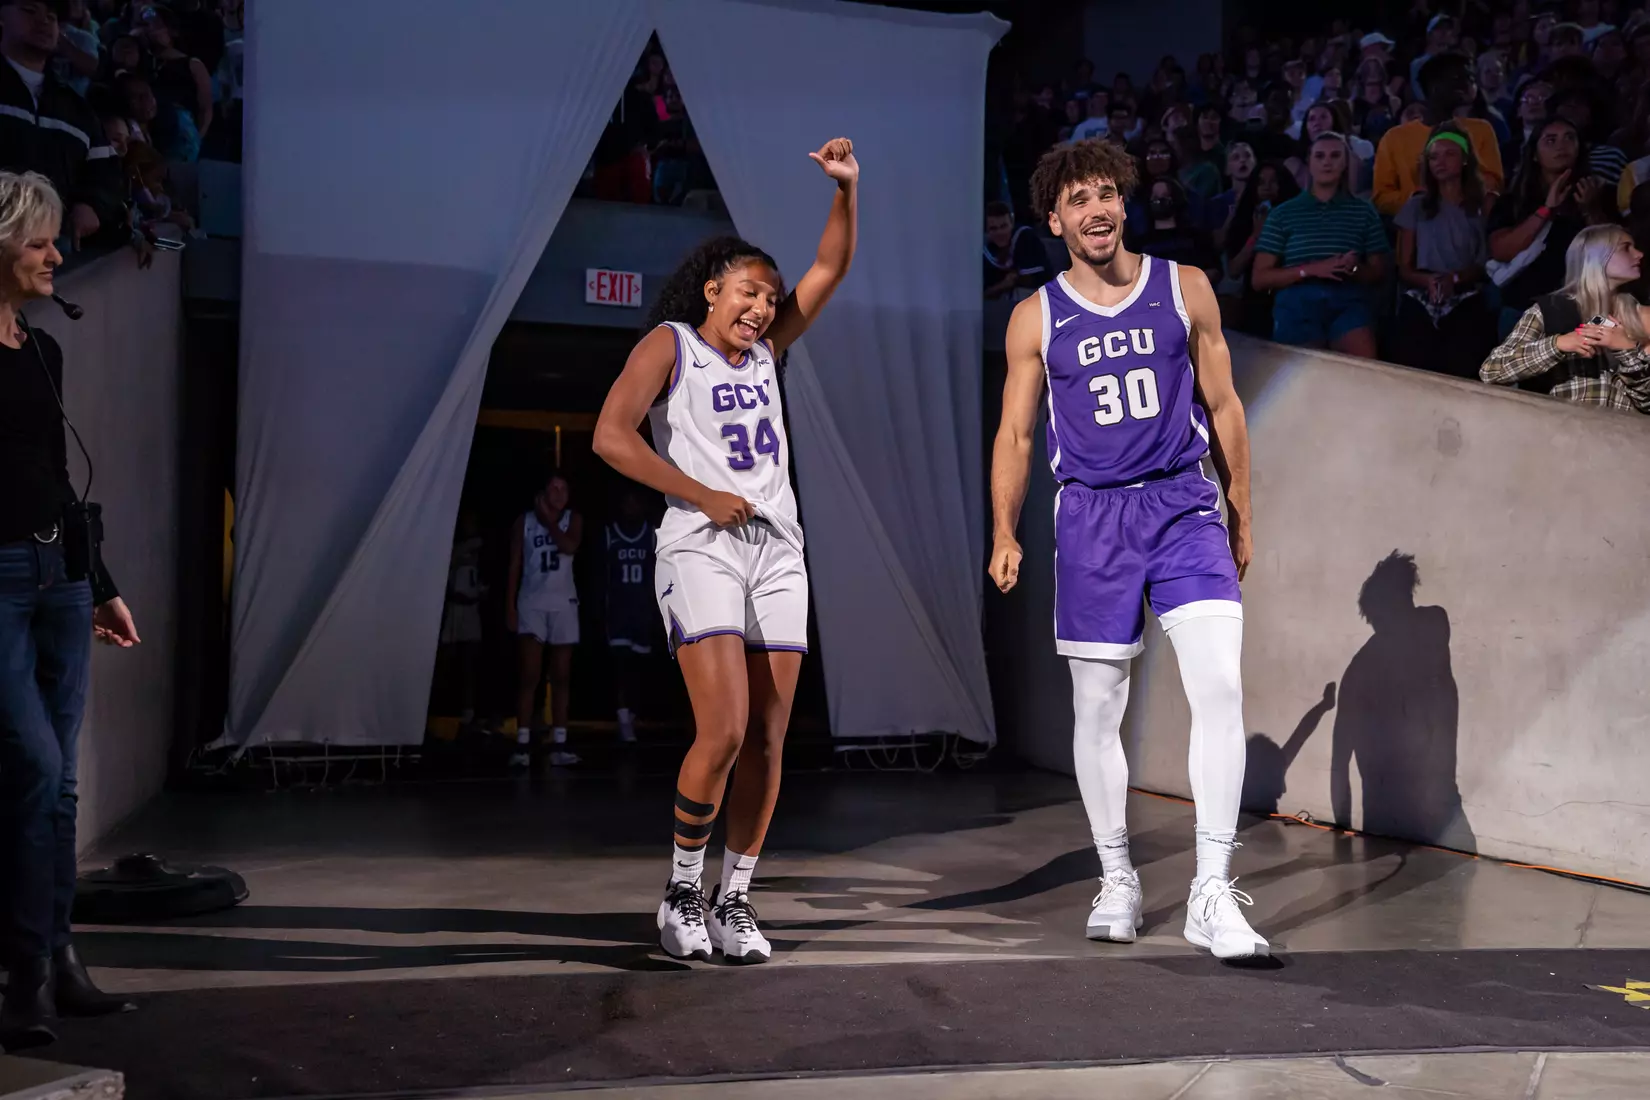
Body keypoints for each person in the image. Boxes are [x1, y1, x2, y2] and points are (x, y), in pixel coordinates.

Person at [988, 139, 1268, 961]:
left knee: (1219, 686)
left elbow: (1225, 403)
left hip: (1184, 504)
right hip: (1092, 520)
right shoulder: (1035, 316)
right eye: (1078, 199)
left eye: (1107, 193)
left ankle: (1212, 892)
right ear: (1055, 219)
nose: (1097, 209)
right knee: (1098, 708)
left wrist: (1242, 507)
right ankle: (1119, 874)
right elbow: (1013, 431)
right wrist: (1004, 529)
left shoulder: (1183, 288)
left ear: (1125, 202)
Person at [591, 137, 858, 964]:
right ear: (713, 289)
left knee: (773, 738)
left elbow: (828, 268)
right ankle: (680, 891)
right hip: (701, 545)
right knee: (727, 729)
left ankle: (733, 899)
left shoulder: (771, 352)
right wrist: (699, 492)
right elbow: (609, 436)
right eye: (748, 291)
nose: (761, 306)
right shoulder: (672, 344)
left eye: (769, 298)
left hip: (778, 551)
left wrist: (844, 191)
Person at [0, 171, 141, 1050]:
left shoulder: (44, 351)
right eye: (41, 241)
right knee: (38, 770)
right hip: (1, 579)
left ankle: (55, 960)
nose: (58, 255)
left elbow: (55, 479)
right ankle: (22, 979)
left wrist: (103, 584)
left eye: (57, 239)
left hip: (60, 576)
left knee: (61, 788)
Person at [1480, 225, 1650, 409]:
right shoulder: (1550, 310)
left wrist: (1627, 350)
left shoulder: (1641, 317)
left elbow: (1646, 403)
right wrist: (1558, 344)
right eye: (1626, 248)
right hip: (1561, 432)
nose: (1639, 254)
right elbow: (1492, 371)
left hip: (1621, 434)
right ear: (1596, 256)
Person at [1251, 132, 1391, 357]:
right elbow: (1260, 278)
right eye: (1320, 156)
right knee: (1303, 378)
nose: (1327, 162)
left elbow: (1379, 272)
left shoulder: (1364, 212)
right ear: (1309, 162)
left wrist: (1353, 268)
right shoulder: (1283, 214)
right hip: (1298, 303)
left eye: (1335, 156)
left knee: (1362, 371)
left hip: (1348, 300)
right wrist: (1312, 269)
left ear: (1345, 163)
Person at [0, 0, 126, 249]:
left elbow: (106, 172)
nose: (44, 21)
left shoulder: (76, 108)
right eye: (29, 10)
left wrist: (91, 205)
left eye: (52, 17)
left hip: (50, 255)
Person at [1393, 126, 1499, 376]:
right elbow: (1404, 267)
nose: (1439, 162)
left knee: (1463, 361)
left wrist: (1454, 280)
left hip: (1467, 291)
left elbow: (1487, 262)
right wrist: (1429, 281)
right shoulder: (1416, 205)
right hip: (1422, 289)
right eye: (1433, 157)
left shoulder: (1484, 204)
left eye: (1449, 154)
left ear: (1464, 159)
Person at [1487, 118, 1608, 325]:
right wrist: (1546, 209)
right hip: (1523, 308)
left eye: (1569, 138)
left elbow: (1611, 252)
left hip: (1583, 308)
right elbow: (1501, 250)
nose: (1562, 145)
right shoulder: (1513, 200)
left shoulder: (1598, 192)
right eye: (1551, 140)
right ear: (1534, 154)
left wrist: (1590, 209)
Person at [505, 472, 581, 770]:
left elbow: (569, 546)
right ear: (543, 492)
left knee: (561, 676)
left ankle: (559, 743)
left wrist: (548, 519)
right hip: (532, 603)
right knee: (529, 675)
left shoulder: (572, 519)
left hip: (563, 604)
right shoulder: (524, 522)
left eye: (564, 487)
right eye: (554, 487)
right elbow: (514, 564)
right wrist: (509, 606)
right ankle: (522, 743)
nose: (559, 492)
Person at [1373, 53, 1505, 215]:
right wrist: (1423, 202)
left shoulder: (1482, 129)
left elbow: (1494, 182)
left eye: (1471, 78)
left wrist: (1454, 196)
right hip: (1416, 232)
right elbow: (1381, 197)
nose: (1469, 84)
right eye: (1459, 78)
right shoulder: (1395, 137)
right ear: (1434, 86)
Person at [603, 483, 656, 745]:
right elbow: (602, 575)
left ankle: (633, 713)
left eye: (637, 502)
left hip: (643, 611)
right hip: (618, 611)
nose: (632, 507)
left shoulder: (652, 535)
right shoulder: (610, 534)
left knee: (639, 670)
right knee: (621, 667)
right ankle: (623, 718)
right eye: (628, 502)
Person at [438, 511, 485, 728]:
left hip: (471, 611)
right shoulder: (449, 546)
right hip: (453, 610)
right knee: (446, 662)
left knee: (470, 663)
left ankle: (468, 712)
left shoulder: (480, 546)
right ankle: (440, 709)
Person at [983, 200, 1050, 301]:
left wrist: (1009, 282)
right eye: (993, 229)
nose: (1000, 232)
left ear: (1012, 223)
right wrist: (1006, 283)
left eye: (1004, 226)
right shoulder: (985, 249)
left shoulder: (1025, 237)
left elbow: (1031, 279)